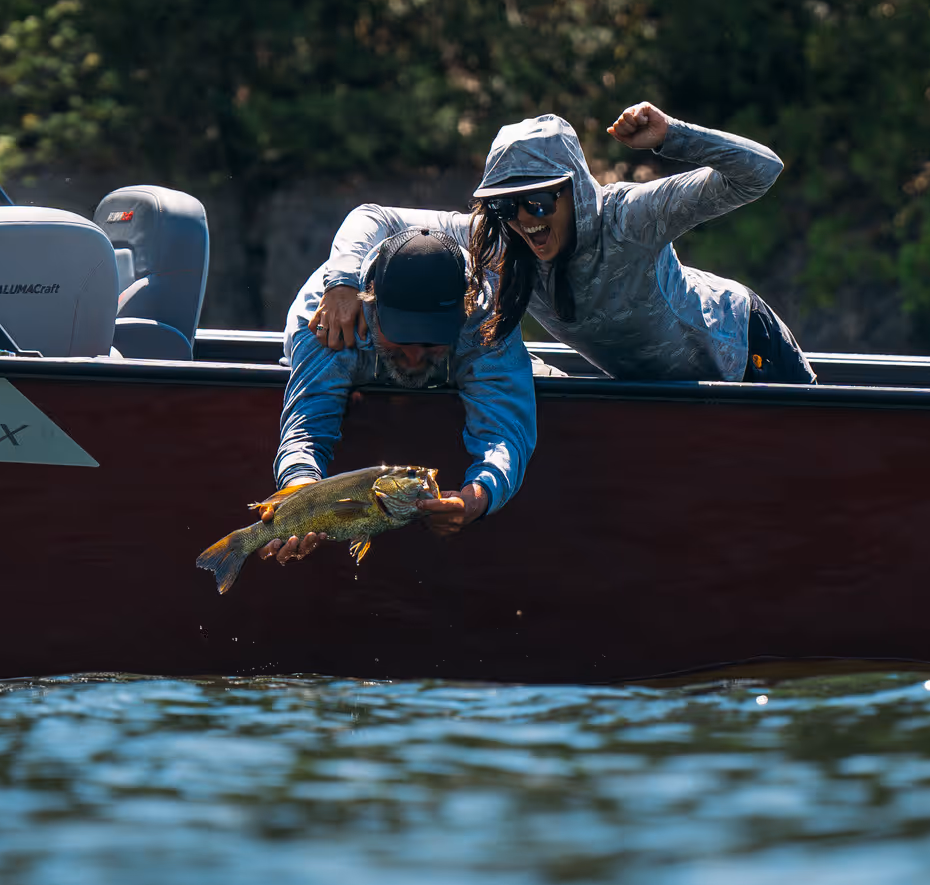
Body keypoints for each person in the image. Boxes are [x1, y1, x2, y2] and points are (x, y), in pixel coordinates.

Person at [307, 102, 813, 383]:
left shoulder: (629, 217)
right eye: (509, 205)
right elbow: (374, 216)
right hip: (655, 390)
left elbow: (761, 172)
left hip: (746, 351)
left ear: (574, 189)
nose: (526, 219)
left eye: (541, 203)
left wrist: (671, 136)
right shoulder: (499, 238)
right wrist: (343, 283)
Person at [259, 227, 537, 567]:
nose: (416, 357)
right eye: (401, 340)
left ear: (462, 317)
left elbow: (505, 431)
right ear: (371, 309)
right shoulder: (327, 319)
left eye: (433, 343)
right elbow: (305, 431)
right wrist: (302, 493)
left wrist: (477, 497)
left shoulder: (487, 320)